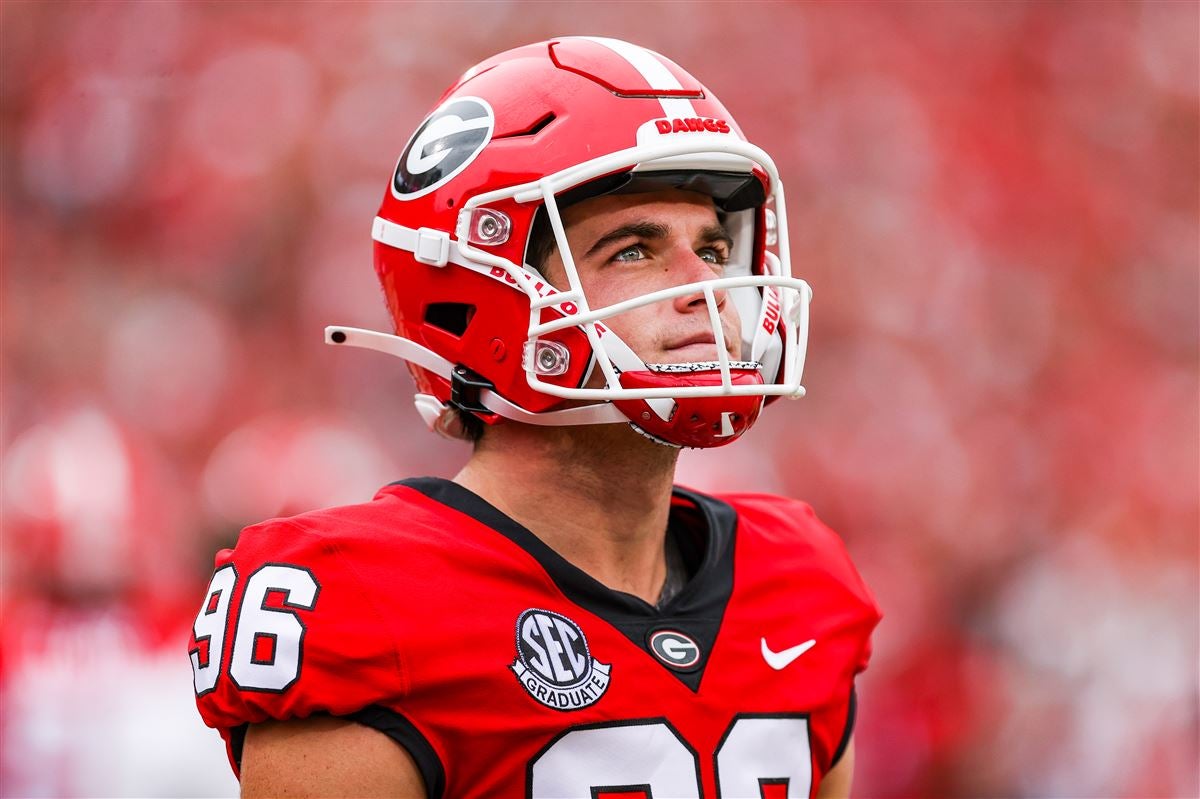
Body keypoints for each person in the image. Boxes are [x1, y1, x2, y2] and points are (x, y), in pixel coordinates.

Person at [189, 36, 880, 798]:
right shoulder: (369, 607)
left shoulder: (798, 581)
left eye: (713, 249)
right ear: (486, 294)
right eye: (633, 251)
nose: (705, 286)